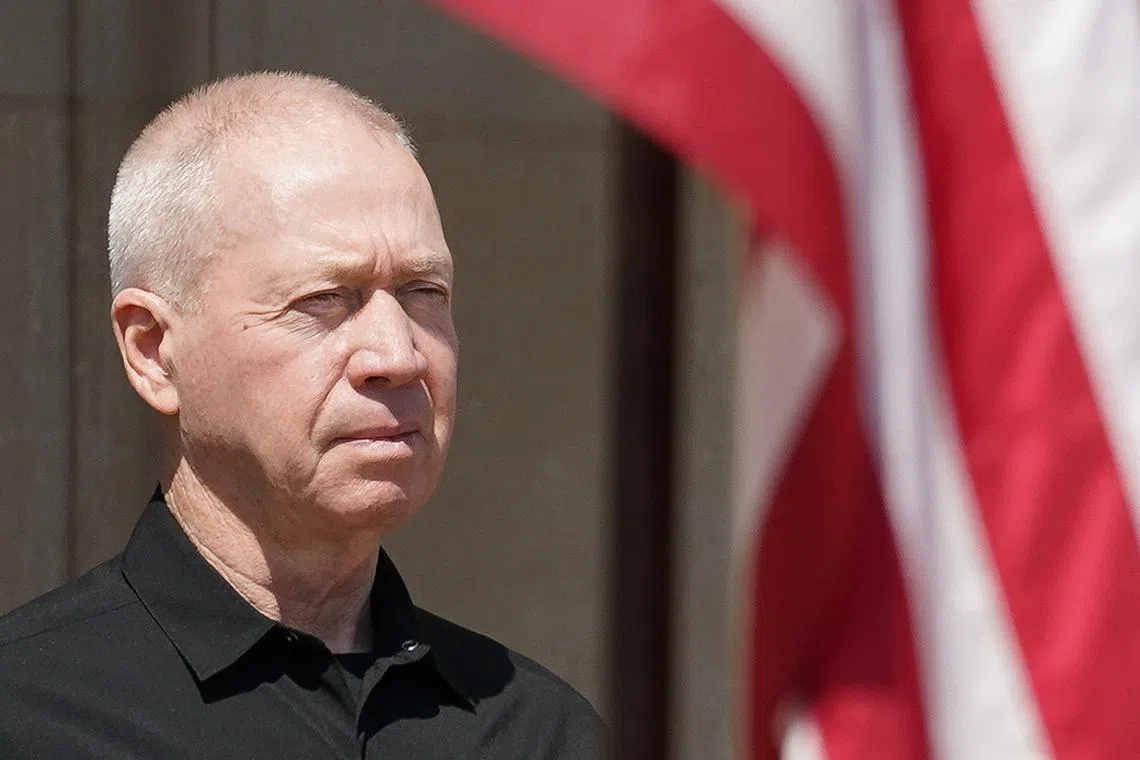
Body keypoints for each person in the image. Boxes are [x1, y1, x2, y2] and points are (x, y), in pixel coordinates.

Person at [0, 72, 602, 758]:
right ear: (154, 350)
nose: (397, 355)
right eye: (325, 299)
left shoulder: (540, 731)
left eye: (423, 291)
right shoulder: (31, 719)